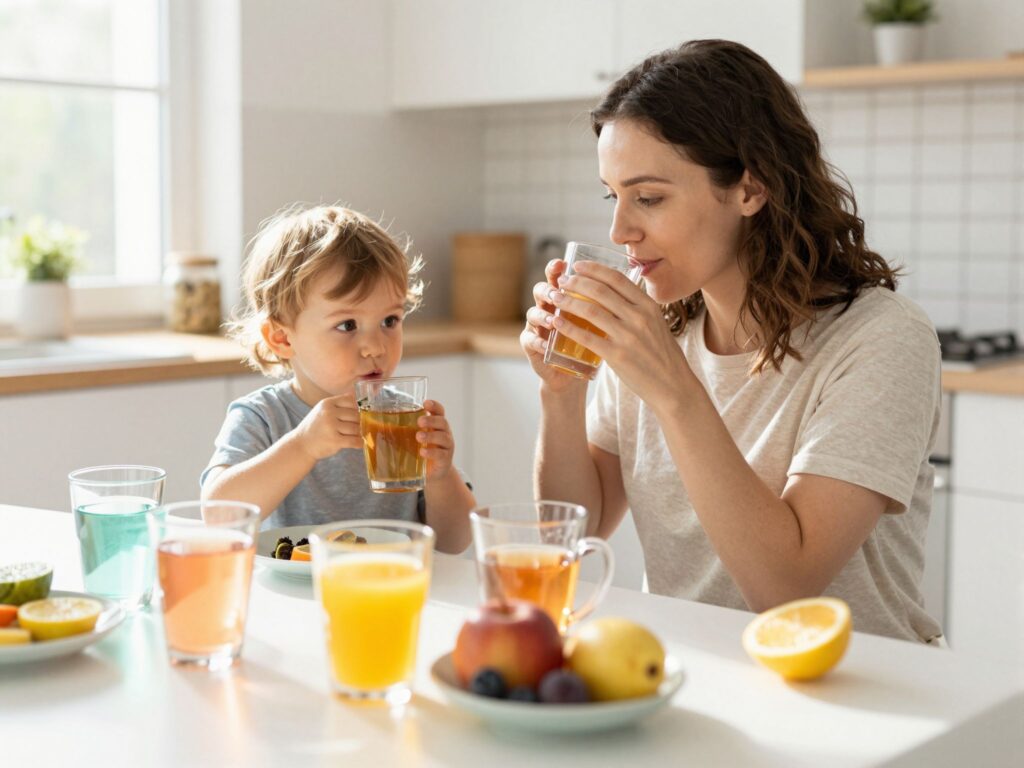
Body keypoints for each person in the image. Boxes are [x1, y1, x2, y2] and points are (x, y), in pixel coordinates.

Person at [522, 40, 942, 643]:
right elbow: (573, 534)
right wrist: (560, 393)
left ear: (751, 188)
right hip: (694, 676)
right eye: (612, 196)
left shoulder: (882, 339)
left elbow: (786, 589)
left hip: (854, 689)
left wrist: (672, 387)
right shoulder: (660, 328)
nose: (619, 230)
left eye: (649, 197)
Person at [202, 204, 475, 553]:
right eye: (347, 325)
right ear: (282, 339)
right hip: (296, 597)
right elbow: (218, 516)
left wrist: (441, 476)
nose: (375, 347)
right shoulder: (263, 417)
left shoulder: (403, 416)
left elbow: (455, 542)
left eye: (390, 320)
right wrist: (303, 445)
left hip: (389, 590)